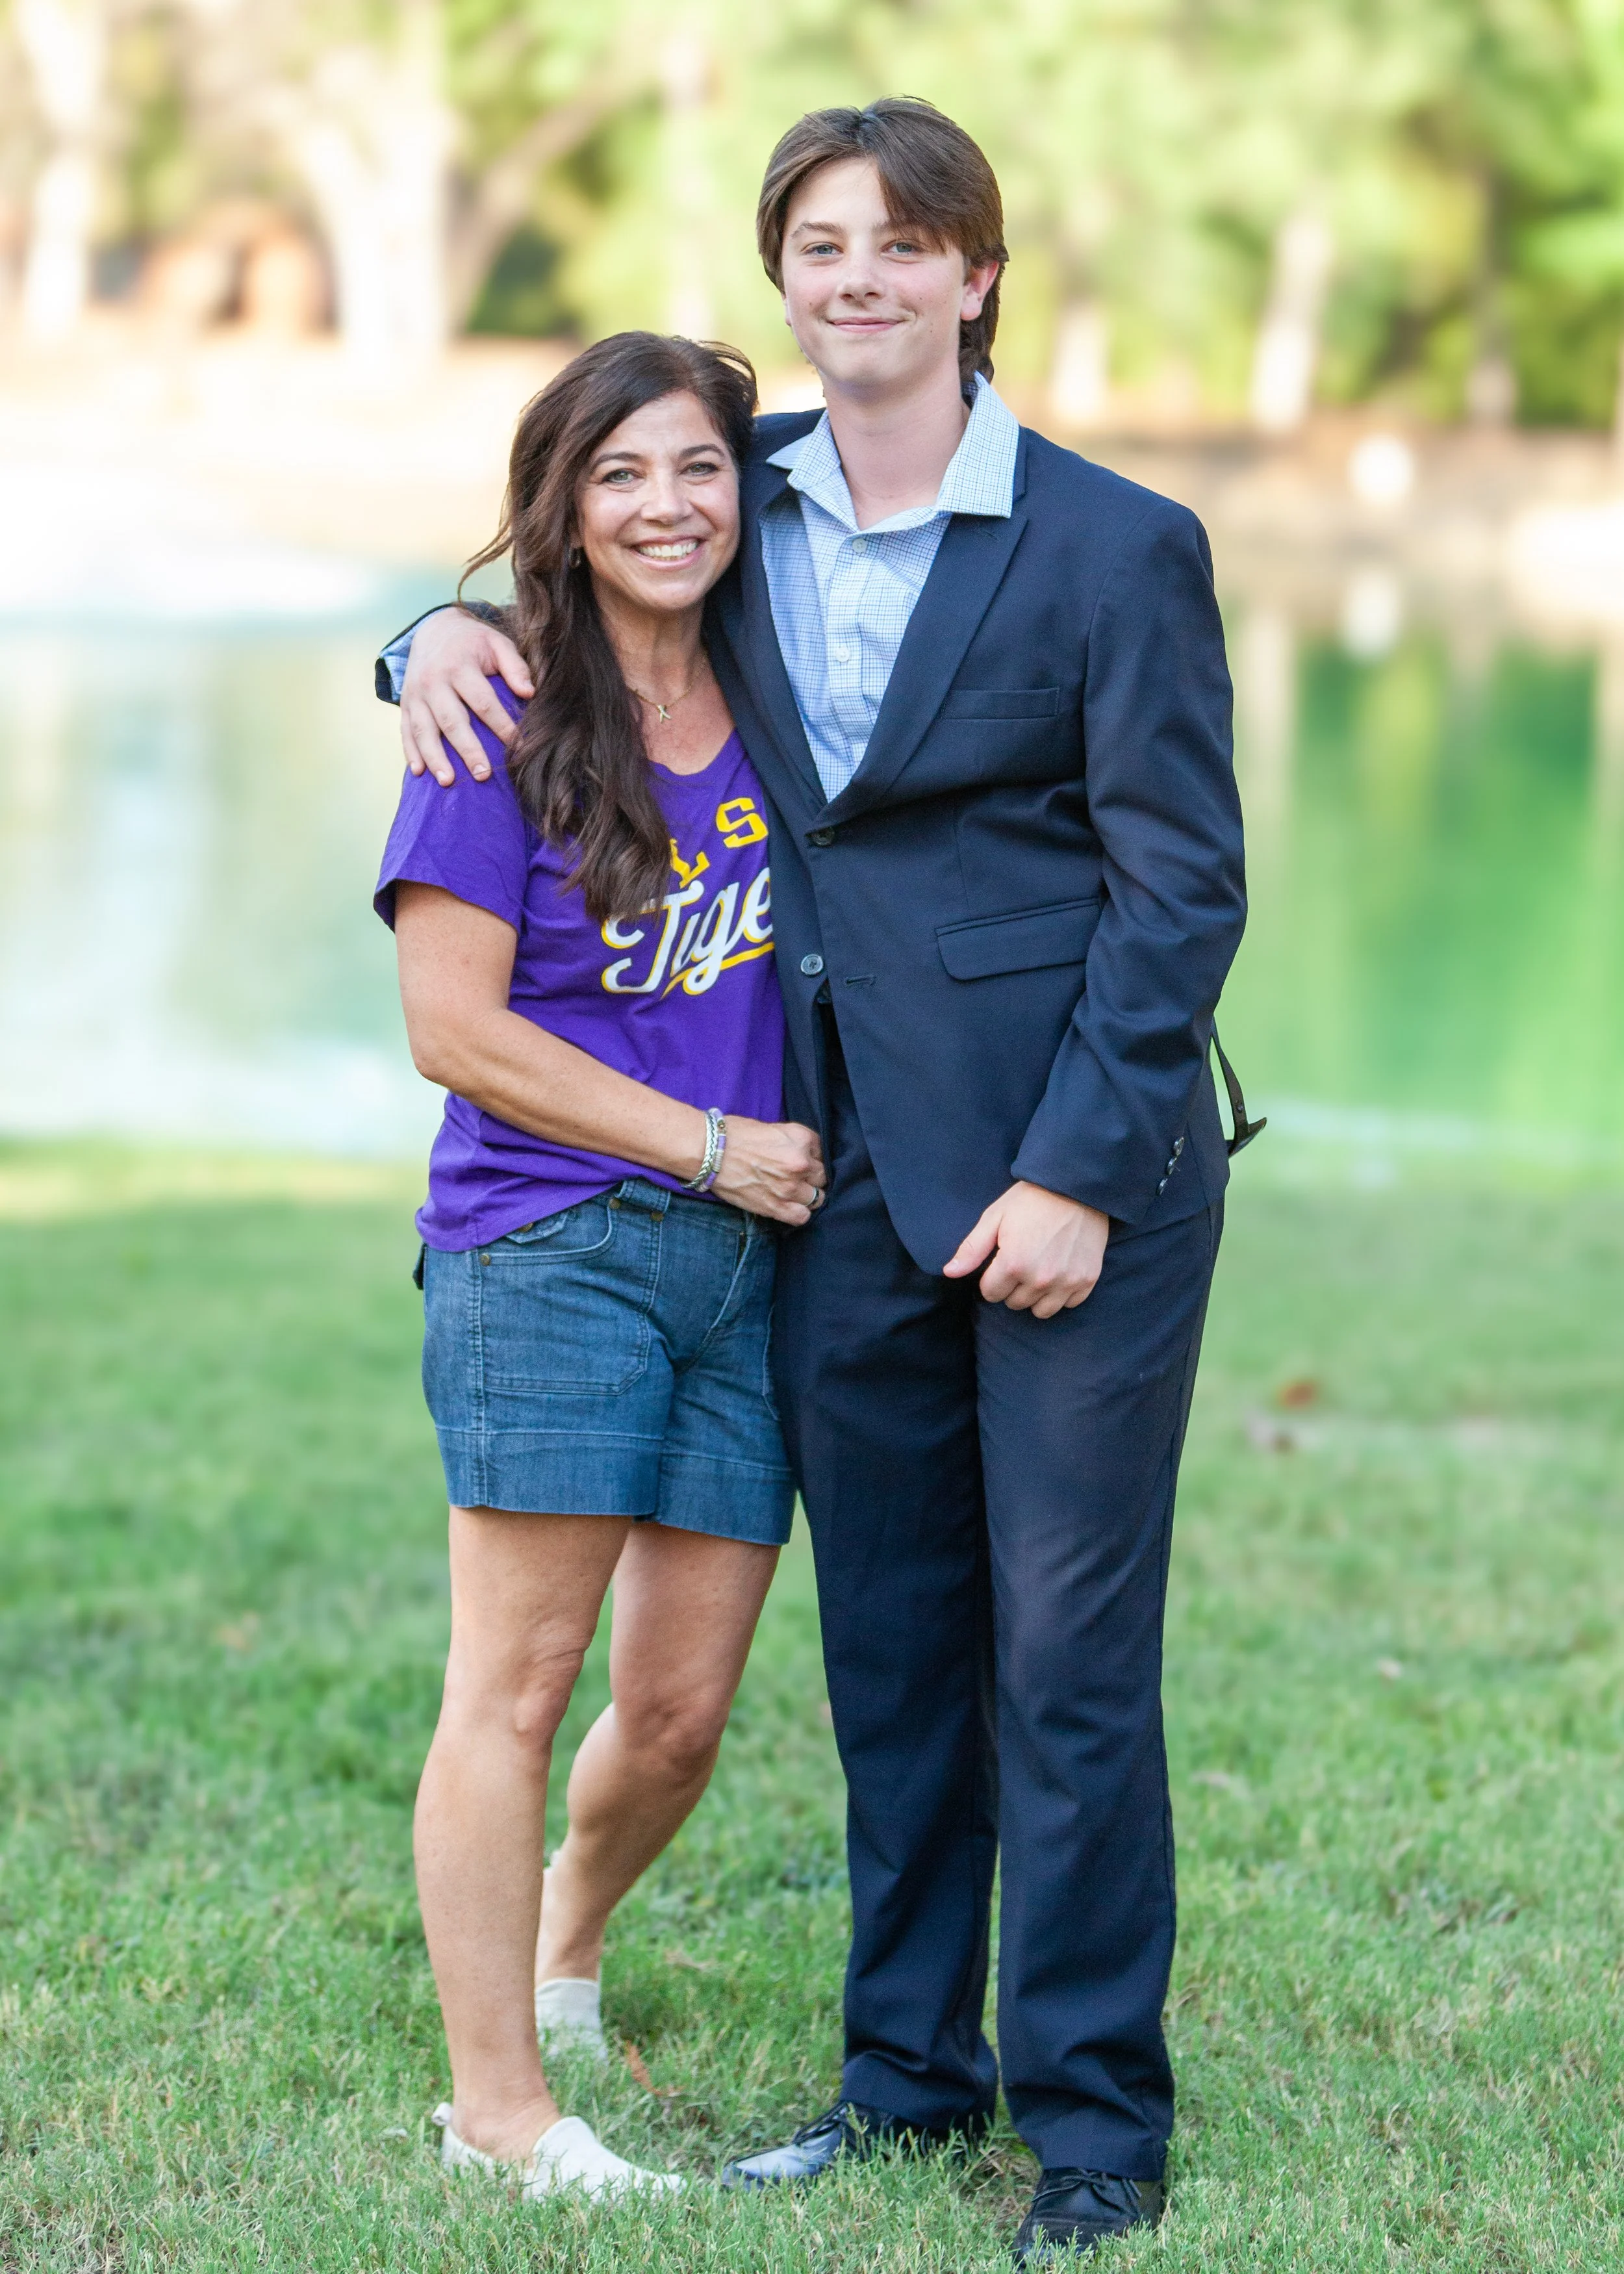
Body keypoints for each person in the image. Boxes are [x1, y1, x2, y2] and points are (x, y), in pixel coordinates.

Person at [379, 99, 1251, 2265]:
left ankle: (1091, 2122)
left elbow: (1181, 891)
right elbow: (573, 559)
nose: (857, 280)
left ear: (976, 275)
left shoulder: (1114, 544)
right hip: (834, 1174)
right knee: (891, 1648)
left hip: (1070, 1179)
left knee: (1062, 1655)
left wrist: (1075, 1174)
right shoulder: (735, 494)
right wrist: (422, 640)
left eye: (900, 244)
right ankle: (901, 2080)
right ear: (784, 279)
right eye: (820, 246)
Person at [374, 331, 826, 2204]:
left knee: (682, 1714)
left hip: (753, 1267)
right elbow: (452, 1029)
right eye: (619, 474)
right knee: (516, 1684)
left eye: (699, 466)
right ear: (561, 510)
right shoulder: (496, 713)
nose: (666, 504)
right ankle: (497, 2115)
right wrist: (707, 1142)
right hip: (551, 1242)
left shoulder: (785, 683)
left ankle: (565, 1937)